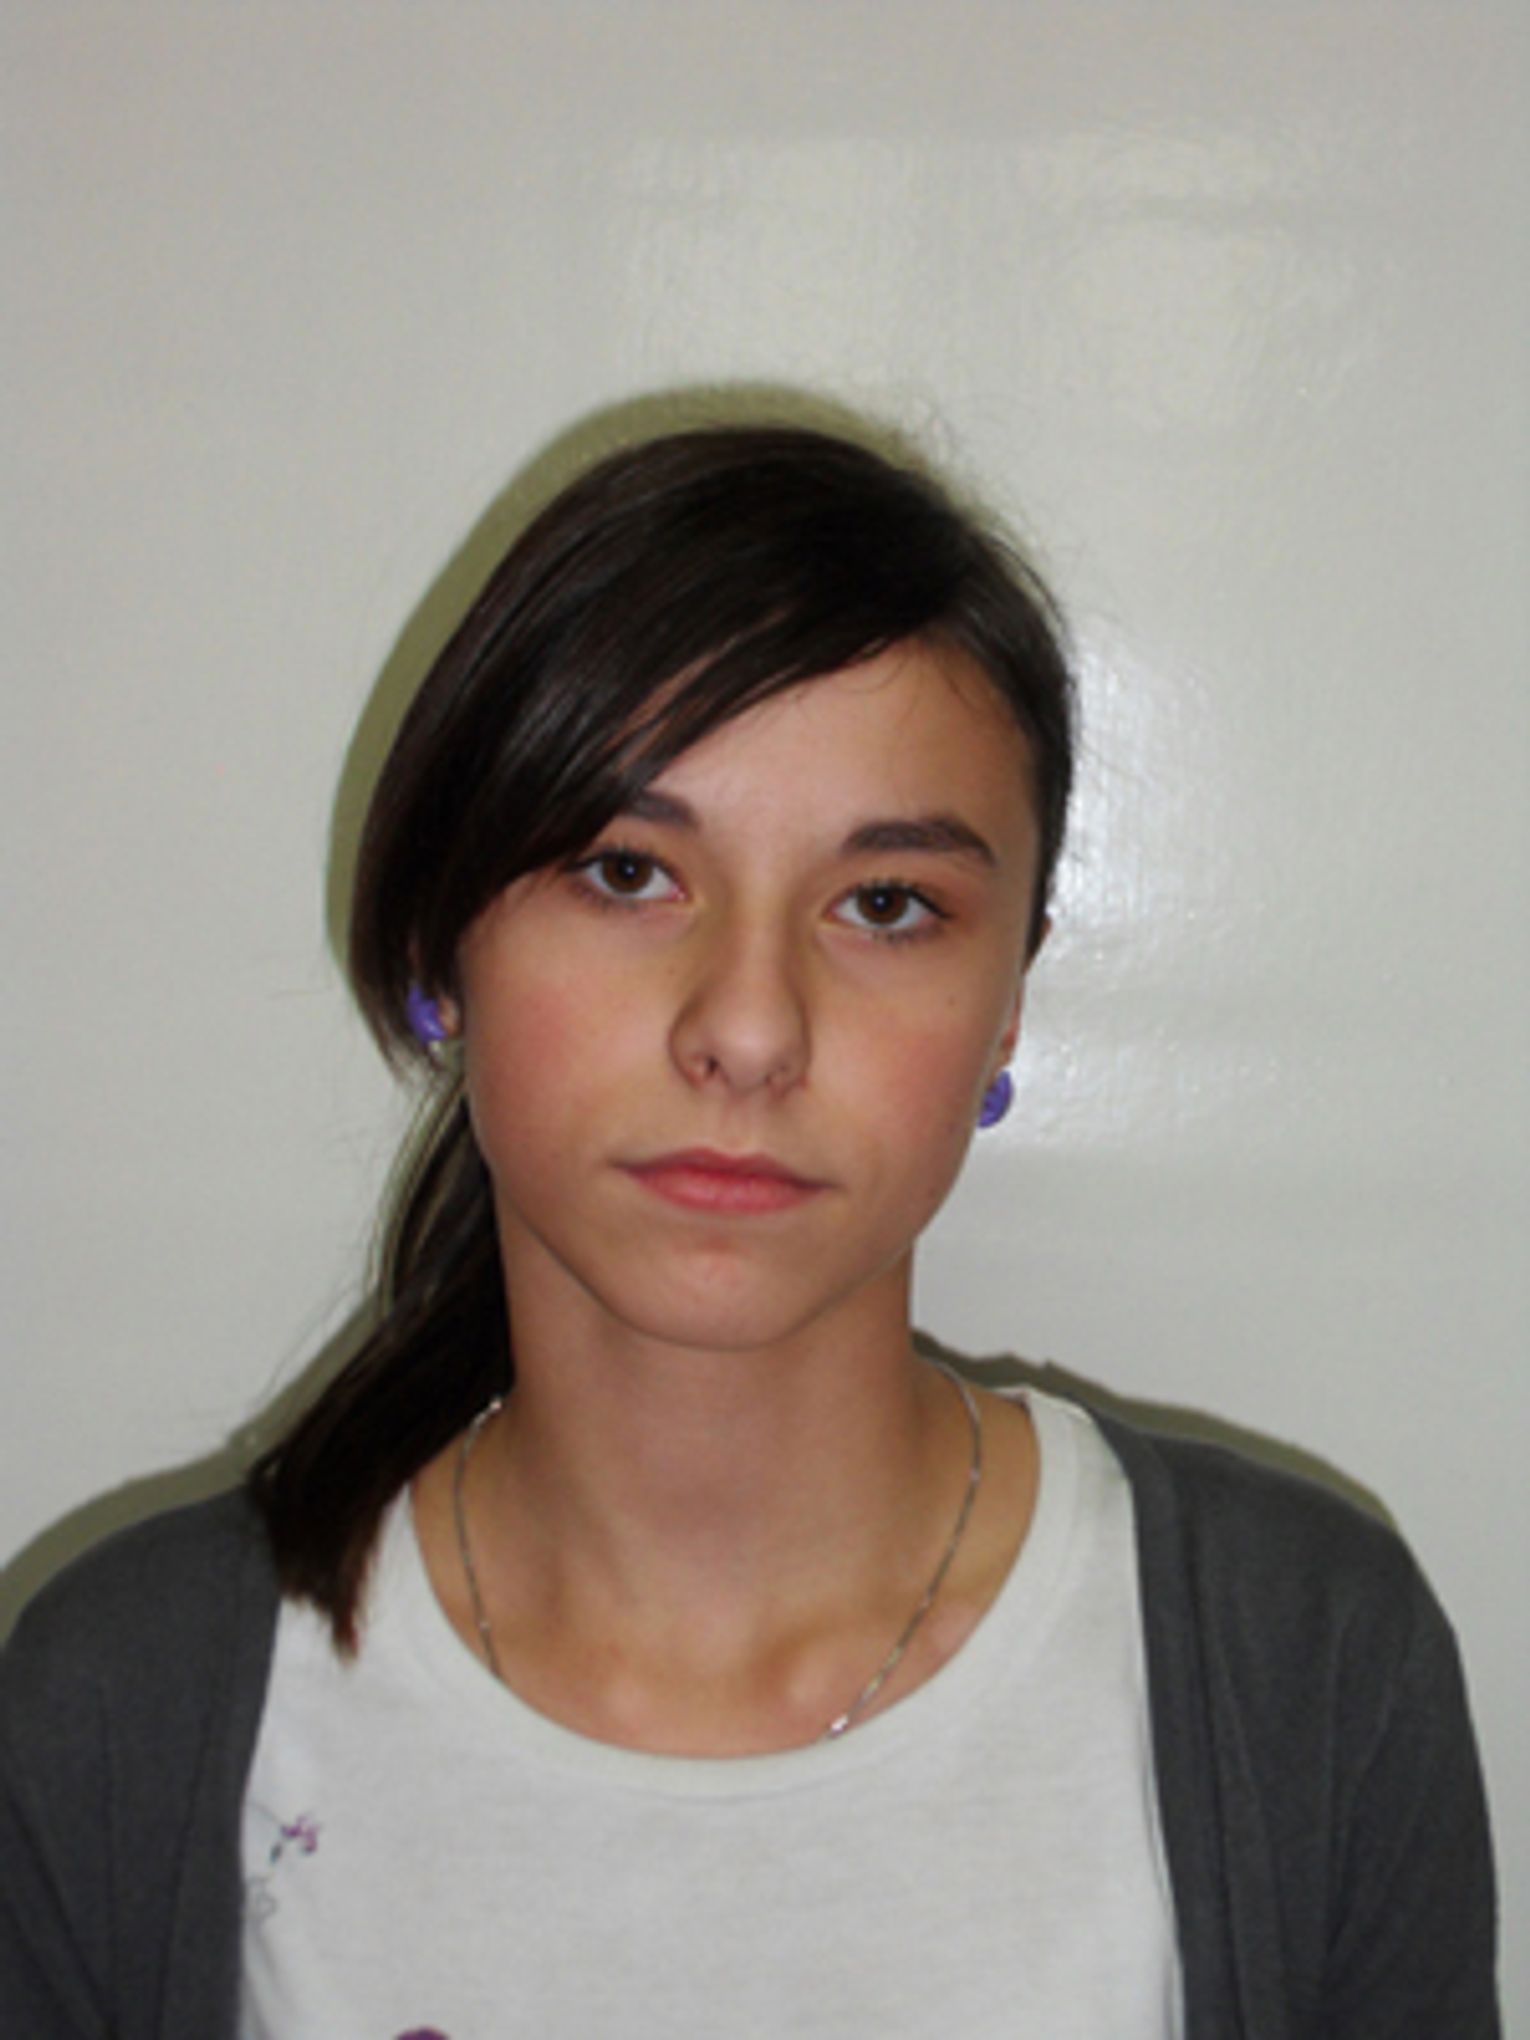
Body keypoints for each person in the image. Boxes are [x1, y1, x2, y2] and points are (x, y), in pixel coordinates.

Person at [0, 421, 1498, 2037]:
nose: (748, 1029)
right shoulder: (124, 1705)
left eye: (885, 904)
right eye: (624, 871)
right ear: (442, 942)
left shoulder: (1302, 1661)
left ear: (1006, 1004)